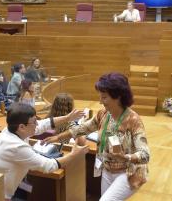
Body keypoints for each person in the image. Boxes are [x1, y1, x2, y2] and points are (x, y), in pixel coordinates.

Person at [43, 73, 150, 201]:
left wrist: (125, 157)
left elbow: (145, 155)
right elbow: (82, 128)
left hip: (128, 172)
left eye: (104, 97)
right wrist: (58, 137)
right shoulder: (103, 114)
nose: (100, 101)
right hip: (107, 169)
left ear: (119, 97)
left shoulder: (134, 120)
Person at [0, 103, 89, 199]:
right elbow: (49, 166)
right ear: (22, 127)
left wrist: (68, 118)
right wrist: (74, 154)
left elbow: (43, 124)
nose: (37, 124)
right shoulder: (16, 147)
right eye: (34, 122)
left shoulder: (13, 129)